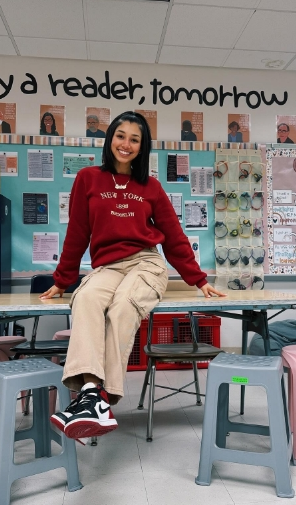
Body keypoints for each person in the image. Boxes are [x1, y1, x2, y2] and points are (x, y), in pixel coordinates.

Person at [40, 111, 226, 444]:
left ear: (142, 147)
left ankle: (97, 399)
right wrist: (62, 279)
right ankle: (90, 393)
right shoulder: (88, 178)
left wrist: (198, 279)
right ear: (110, 138)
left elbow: (173, 235)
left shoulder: (150, 187)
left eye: (134, 139)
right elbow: (77, 233)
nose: (126, 144)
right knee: (85, 298)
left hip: (145, 264)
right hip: (107, 267)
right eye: (120, 136)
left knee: (124, 307)